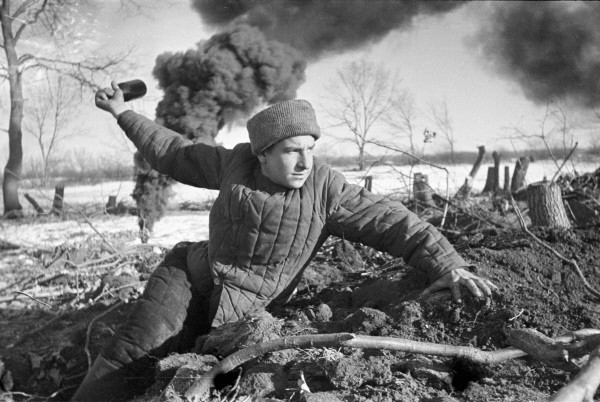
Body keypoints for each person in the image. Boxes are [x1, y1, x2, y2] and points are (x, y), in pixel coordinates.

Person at [72, 82, 497, 401]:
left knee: (196, 376)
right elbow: (173, 152)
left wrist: (448, 264)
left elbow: (394, 222)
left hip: (243, 313)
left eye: (310, 148)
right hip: (189, 276)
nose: (305, 161)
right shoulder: (233, 164)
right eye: (292, 150)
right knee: (129, 357)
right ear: (262, 153)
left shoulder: (326, 190)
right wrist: (122, 113)